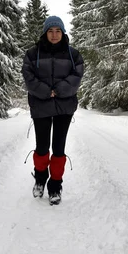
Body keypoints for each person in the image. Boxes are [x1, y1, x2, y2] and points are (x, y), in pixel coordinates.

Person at [22, 15, 84, 205]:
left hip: (64, 107)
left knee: (59, 148)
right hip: (41, 105)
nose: (54, 35)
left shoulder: (73, 55)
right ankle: (40, 180)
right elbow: (28, 76)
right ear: (45, 32)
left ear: (63, 32)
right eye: (51, 31)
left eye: (58, 31)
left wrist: (58, 90)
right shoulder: (33, 54)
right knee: (42, 147)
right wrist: (45, 91)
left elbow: (77, 75)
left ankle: (55, 186)